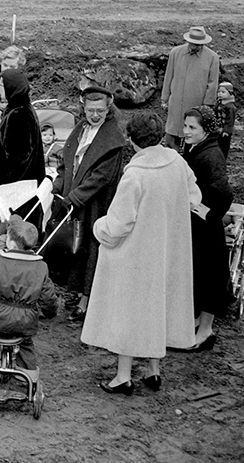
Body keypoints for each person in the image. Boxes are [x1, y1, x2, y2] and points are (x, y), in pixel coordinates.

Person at [81, 112, 201, 395]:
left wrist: (99, 228)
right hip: (165, 252)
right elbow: (194, 199)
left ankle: (123, 376)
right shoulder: (177, 163)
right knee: (156, 308)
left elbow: (119, 224)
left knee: (130, 312)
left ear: (131, 140)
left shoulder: (135, 175)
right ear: (160, 137)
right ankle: (153, 370)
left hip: (135, 256)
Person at [51, 86, 126, 322]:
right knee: (73, 244)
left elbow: (102, 177)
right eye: (90, 110)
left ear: (109, 107)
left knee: (90, 249)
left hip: (94, 204)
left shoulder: (113, 138)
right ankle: (74, 290)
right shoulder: (80, 129)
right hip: (73, 200)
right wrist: (58, 185)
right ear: (83, 106)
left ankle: (86, 299)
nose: (95, 116)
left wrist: (74, 197)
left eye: (100, 111)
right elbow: (66, 162)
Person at [0, 218, 58, 382]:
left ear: (11, 243)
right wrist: (51, 311)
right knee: (26, 344)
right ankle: (28, 378)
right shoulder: (41, 267)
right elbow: (48, 296)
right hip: (26, 321)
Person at [182, 106, 233, 351]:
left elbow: (224, 193)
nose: (186, 132)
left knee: (209, 278)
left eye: (192, 128)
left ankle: (205, 332)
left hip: (207, 230)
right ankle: (197, 326)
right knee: (199, 277)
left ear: (206, 130)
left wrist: (205, 212)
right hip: (197, 227)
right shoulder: (196, 148)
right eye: (185, 126)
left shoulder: (211, 155)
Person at [161, 26, 220, 150]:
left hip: (195, 103)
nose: (196, 47)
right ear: (188, 41)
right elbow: (168, 76)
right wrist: (164, 98)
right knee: (172, 133)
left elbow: (213, 83)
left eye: (200, 45)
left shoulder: (212, 58)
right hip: (176, 102)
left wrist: (206, 106)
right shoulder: (175, 53)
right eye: (193, 44)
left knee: (192, 134)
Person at [0, 68, 45, 189]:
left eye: (1, 85)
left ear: (11, 87)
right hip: (22, 182)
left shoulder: (19, 114)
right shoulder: (20, 106)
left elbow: (16, 156)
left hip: (15, 185)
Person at [214, 82, 235, 158]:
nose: (220, 94)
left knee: (223, 146)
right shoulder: (219, 103)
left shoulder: (230, 107)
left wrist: (227, 131)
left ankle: (222, 158)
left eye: (223, 92)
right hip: (217, 128)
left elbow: (230, 120)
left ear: (230, 93)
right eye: (219, 92)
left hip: (224, 131)